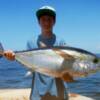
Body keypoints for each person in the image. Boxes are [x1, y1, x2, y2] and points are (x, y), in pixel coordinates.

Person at [4, 6, 75, 100]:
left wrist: (68, 76)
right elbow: (30, 66)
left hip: (59, 94)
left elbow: (68, 70)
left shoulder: (61, 42)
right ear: (38, 22)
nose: (46, 22)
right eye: (43, 19)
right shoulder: (31, 42)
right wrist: (12, 57)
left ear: (54, 22)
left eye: (49, 19)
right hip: (38, 95)